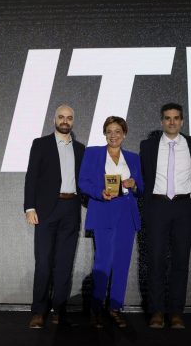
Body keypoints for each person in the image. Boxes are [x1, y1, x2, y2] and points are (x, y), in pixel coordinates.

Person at [139, 103, 191, 329]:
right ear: (161, 121)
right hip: (157, 206)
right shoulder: (148, 145)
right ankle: (157, 311)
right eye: (167, 118)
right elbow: (142, 175)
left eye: (176, 118)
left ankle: (176, 312)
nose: (172, 122)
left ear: (182, 121)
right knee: (156, 260)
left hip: (184, 207)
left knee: (180, 261)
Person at [24, 104, 86, 329]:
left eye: (69, 118)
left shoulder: (80, 149)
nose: (65, 121)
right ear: (54, 119)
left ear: (73, 121)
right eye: (61, 117)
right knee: (43, 263)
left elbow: (84, 181)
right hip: (46, 211)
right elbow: (31, 177)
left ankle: (59, 310)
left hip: (71, 209)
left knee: (64, 263)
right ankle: (39, 311)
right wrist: (29, 207)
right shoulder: (40, 144)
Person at [79, 116, 143, 328]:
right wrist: (100, 192)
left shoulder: (133, 157)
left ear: (124, 134)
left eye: (117, 131)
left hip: (126, 214)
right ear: (104, 134)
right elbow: (83, 182)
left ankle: (115, 308)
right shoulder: (93, 153)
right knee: (103, 263)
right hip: (103, 211)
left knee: (122, 264)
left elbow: (141, 188)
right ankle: (96, 309)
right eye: (109, 131)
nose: (113, 135)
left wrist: (134, 184)